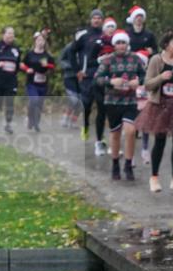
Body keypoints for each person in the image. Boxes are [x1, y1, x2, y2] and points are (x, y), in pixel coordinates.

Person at [135, 30, 173, 193]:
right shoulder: (156, 60)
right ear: (166, 45)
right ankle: (154, 177)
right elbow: (147, 84)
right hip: (160, 105)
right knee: (160, 141)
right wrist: (161, 77)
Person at [94, 30, 147, 181]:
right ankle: (115, 164)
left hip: (130, 101)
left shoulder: (135, 58)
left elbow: (144, 76)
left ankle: (128, 164)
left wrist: (138, 82)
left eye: (123, 42)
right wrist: (111, 82)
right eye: (118, 42)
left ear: (127, 44)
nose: (121, 45)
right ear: (114, 45)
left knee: (130, 131)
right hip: (112, 101)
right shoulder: (108, 60)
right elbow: (97, 78)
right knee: (115, 134)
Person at [73, 9, 107, 155]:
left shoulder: (106, 36)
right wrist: (77, 69)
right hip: (87, 75)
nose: (97, 20)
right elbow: (70, 51)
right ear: (90, 20)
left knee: (102, 107)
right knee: (86, 104)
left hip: (103, 75)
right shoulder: (84, 35)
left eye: (99, 18)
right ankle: (85, 125)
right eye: (94, 18)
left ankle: (100, 136)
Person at [19, 30, 55, 132]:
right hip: (31, 82)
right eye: (38, 40)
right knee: (34, 100)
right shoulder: (30, 54)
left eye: (42, 40)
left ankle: (36, 123)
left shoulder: (47, 55)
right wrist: (27, 69)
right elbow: (22, 64)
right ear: (35, 42)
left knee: (39, 103)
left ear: (44, 42)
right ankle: (30, 119)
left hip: (43, 82)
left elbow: (53, 67)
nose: (40, 42)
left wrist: (47, 66)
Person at [58, 31, 84, 129]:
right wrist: (71, 66)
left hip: (82, 77)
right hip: (69, 76)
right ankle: (65, 117)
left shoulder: (87, 47)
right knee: (73, 99)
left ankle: (73, 121)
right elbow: (61, 60)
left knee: (81, 100)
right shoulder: (69, 47)